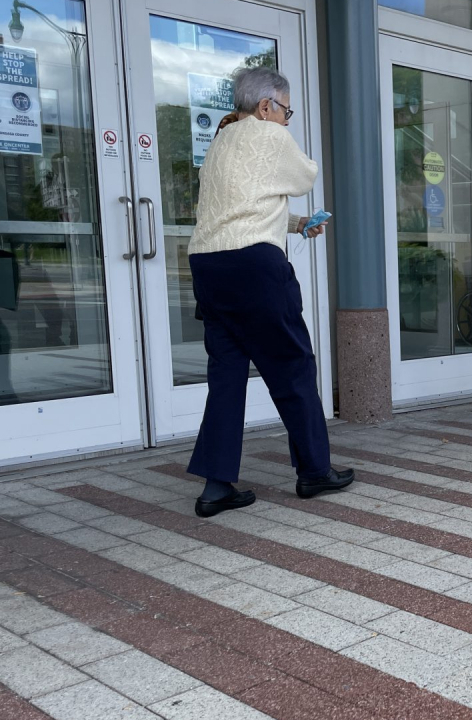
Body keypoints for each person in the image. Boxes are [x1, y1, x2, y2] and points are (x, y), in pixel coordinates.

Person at [186, 67, 353, 518]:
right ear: (266, 106)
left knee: (227, 372)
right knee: (292, 364)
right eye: (286, 111)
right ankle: (315, 470)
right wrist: (284, 145)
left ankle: (217, 486)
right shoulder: (268, 134)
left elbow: (241, 205)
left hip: (208, 263)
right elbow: (304, 177)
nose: (287, 120)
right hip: (254, 266)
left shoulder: (220, 140)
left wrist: (297, 224)